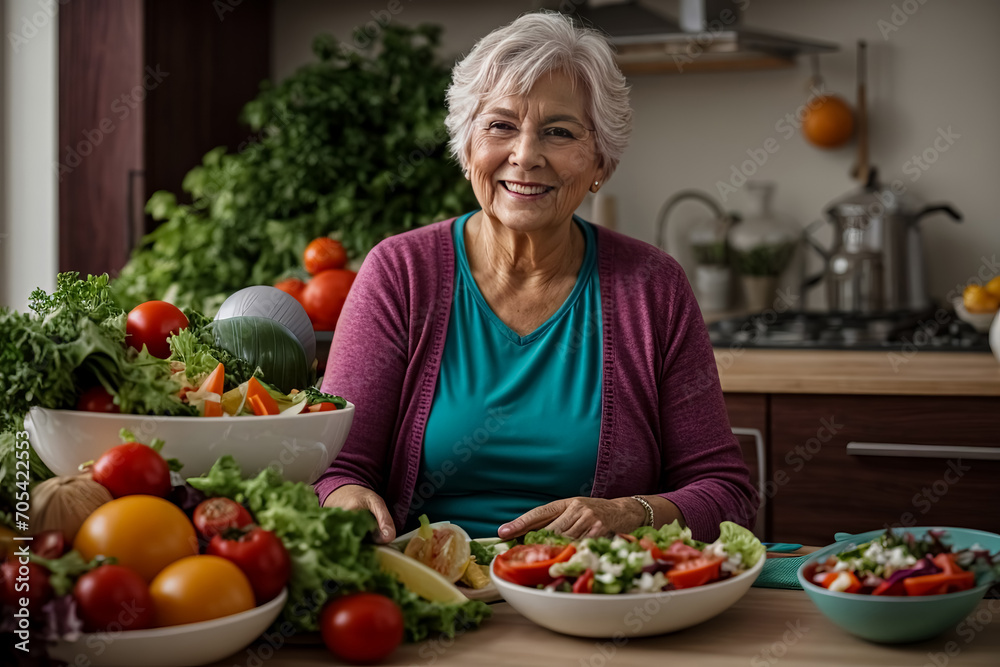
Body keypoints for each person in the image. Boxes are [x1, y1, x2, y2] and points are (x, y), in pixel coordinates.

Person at [315, 11, 758, 542]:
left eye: (558, 132)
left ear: (601, 162)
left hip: (588, 596)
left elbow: (726, 493)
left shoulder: (653, 287)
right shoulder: (400, 274)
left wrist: (629, 514)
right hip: (432, 590)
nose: (525, 156)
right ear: (467, 147)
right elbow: (336, 468)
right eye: (501, 125)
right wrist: (344, 498)